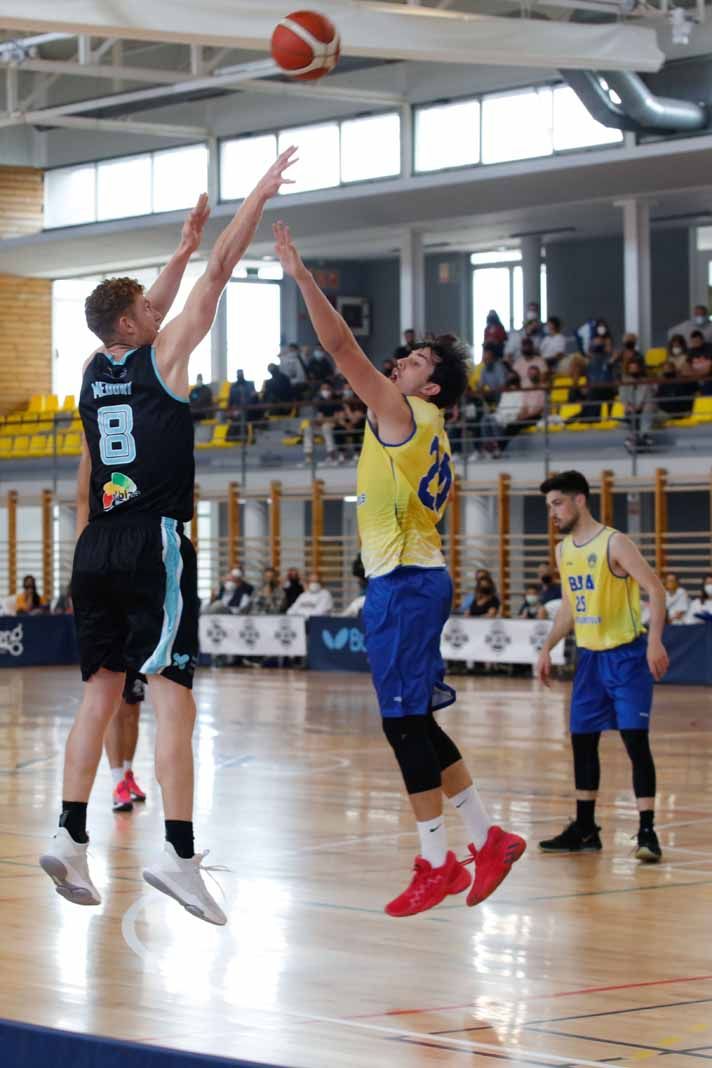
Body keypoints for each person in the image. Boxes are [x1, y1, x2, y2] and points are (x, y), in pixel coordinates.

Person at [38, 147, 297, 925]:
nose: (161, 309)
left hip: (97, 546)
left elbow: (160, 293)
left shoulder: (94, 368)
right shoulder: (161, 357)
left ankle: (70, 832)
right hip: (154, 541)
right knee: (176, 699)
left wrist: (179, 248)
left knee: (99, 695)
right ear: (134, 324)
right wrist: (250, 199)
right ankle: (179, 855)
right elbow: (221, 273)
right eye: (149, 308)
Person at [274, 219, 525, 918]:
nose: (400, 365)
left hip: (407, 585)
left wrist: (300, 276)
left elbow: (339, 347)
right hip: (409, 581)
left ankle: (438, 861)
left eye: (415, 361)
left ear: (433, 388)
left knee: (402, 727)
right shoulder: (422, 422)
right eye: (405, 357)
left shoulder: (405, 414)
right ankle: (488, 839)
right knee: (416, 723)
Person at [535, 470, 668, 862]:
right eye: (548, 507)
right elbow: (570, 611)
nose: (553, 513)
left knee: (634, 740)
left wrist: (655, 640)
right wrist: (546, 649)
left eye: (557, 503)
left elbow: (656, 589)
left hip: (626, 656)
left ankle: (646, 830)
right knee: (582, 741)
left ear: (579, 500)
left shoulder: (614, 542)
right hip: (589, 659)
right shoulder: (563, 551)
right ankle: (585, 828)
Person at [104, 670, 148, 813]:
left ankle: (127, 774)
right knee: (115, 708)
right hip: (111, 651)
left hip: (133, 652)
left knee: (132, 711)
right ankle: (118, 783)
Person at [619, 354, 656, 451]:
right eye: (631, 368)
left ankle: (645, 435)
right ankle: (634, 439)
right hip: (631, 409)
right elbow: (623, 398)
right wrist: (629, 406)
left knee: (649, 406)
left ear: (639, 368)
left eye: (635, 368)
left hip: (644, 407)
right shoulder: (624, 382)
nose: (633, 370)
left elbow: (648, 396)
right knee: (630, 413)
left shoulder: (646, 382)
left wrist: (639, 407)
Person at [303, 382, 343, 465]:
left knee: (326, 427)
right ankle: (308, 456)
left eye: (327, 389)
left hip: (333, 426)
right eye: (323, 389)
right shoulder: (320, 402)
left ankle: (331, 455)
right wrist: (320, 421)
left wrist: (324, 420)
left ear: (331, 390)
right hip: (321, 425)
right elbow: (319, 418)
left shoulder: (336, 401)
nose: (326, 391)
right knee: (308, 429)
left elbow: (336, 418)